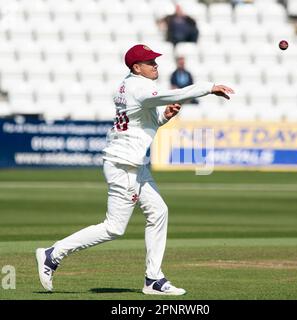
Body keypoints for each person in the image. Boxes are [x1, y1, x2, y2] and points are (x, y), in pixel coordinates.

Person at [36, 44, 234, 295]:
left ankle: (154, 279)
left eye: (155, 61)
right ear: (136, 67)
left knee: (159, 211)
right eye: (150, 62)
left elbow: (140, 121)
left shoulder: (129, 85)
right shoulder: (139, 87)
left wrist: (164, 118)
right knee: (113, 228)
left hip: (133, 162)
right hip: (124, 165)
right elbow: (174, 94)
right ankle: (53, 254)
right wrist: (209, 87)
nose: (155, 66)